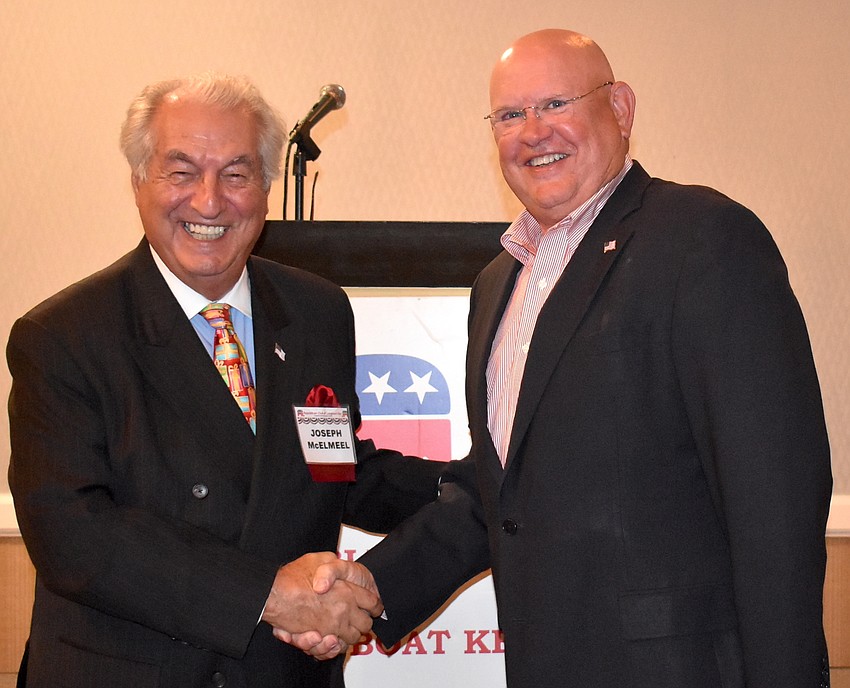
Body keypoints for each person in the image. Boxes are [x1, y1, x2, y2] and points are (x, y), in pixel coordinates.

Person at [292, 28, 833, 688]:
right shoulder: (498, 285)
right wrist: (369, 587)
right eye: (511, 115)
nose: (533, 132)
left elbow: (775, 501)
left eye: (555, 104)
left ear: (622, 109)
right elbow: (494, 494)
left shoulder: (702, 240)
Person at [6, 73, 442, 688]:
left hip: (282, 673)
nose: (209, 202)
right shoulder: (63, 336)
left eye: (236, 175)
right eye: (181, 172)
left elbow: (328, 466)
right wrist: (269, 596)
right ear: (138, 181)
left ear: (265, 188)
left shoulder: (317, 312)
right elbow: (72, 535)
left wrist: (483, 484)